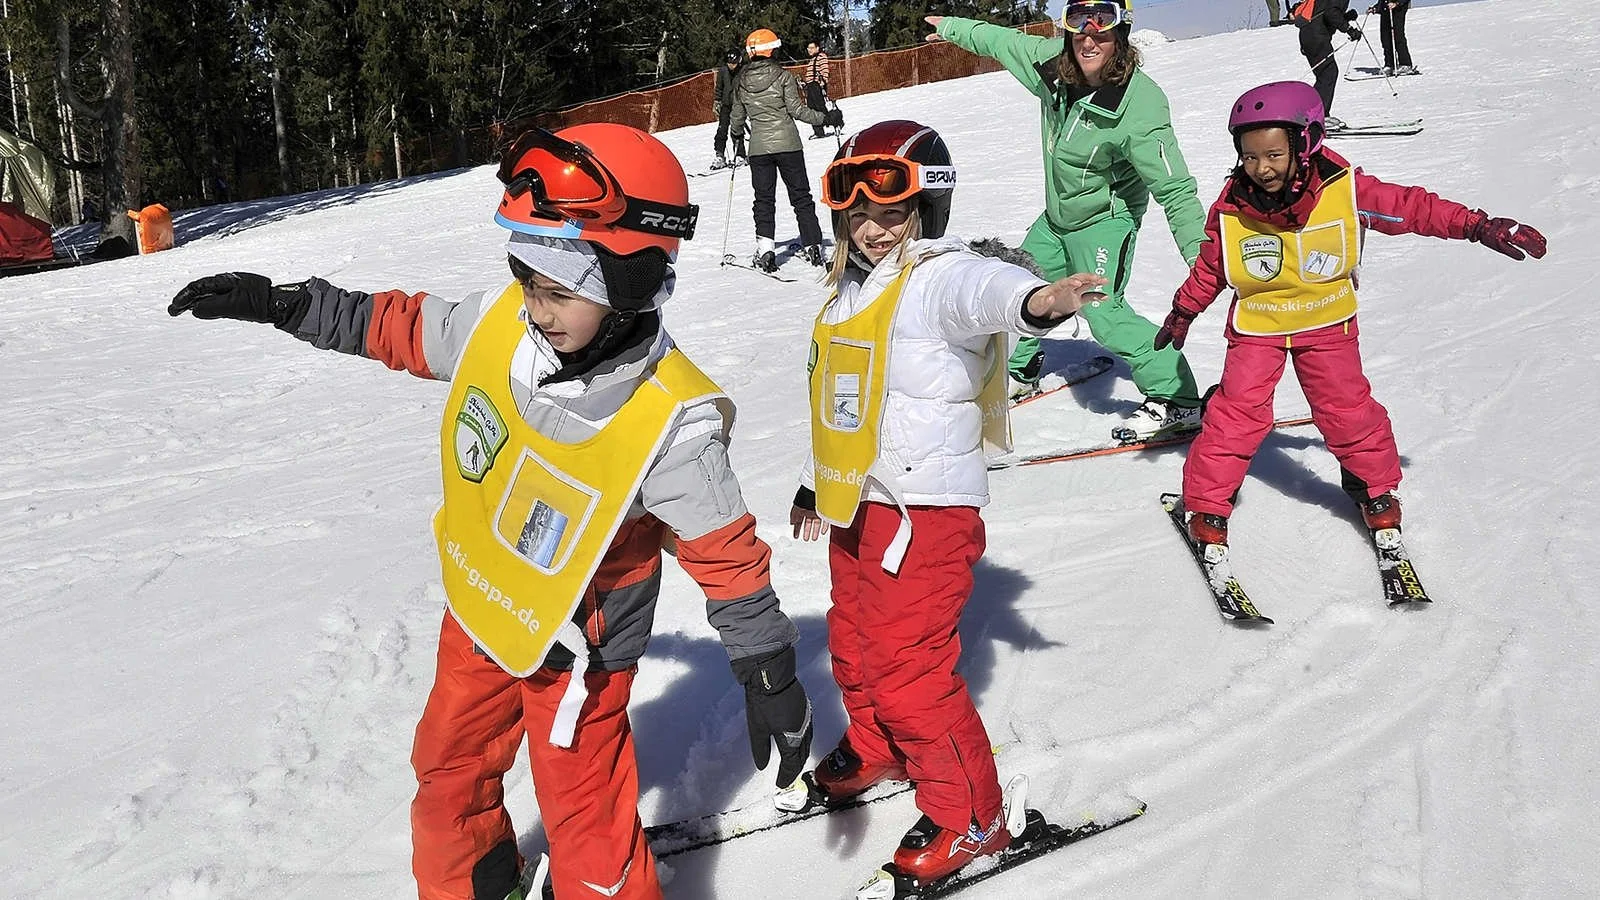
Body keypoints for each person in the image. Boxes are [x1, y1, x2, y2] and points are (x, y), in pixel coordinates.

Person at [166, 123, 815, 900]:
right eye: (527, 279)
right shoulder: (502, 326)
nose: (536, 307)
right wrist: (285, 305)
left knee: (586, 820)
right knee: (447, 770)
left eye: (558, 291)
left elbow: (726, 556)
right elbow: (398, 325)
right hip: (482, 610)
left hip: (583, 650)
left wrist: (766, 666)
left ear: (633, 281)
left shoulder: (674, 421)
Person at [789, 119, 1108, 890]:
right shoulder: (847, 294)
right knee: (856, 645)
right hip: (856, 502)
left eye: (891, 214)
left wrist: (1039, 301)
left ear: (924, 214)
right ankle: (877, 745)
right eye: (858, 214)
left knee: (908, 669)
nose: (872, 229)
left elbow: (986, 292)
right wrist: (812, 479)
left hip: (924, 512)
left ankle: (974, 813)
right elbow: (842, 403)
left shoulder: (935, 275)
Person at [1151, 82, 1546, 547]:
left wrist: (1476, 225)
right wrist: (1184, 308)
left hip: (1327, 324)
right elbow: (1214, 264)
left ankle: (1374, 490)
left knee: (1347, 410)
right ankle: (1208, 501)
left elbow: (1412, 208)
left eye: (1275, 155)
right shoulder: (1232, 205)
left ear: (1306, 142)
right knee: (1236, 415)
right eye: (1251, 157)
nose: (1262, 169)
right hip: (1259, 327)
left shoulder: (1345, 191)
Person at [926, 2, 1210, 443]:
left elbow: (1175, 189)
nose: (1089, 38)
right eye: (1078, 27)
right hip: (1057, 218)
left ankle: (1179, 399)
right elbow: (1002, 42)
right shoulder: (1054, 68)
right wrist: (952, 26)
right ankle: (1019, 370)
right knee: (1017, 288)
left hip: (1103, 222)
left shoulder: (1141, 104)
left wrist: (1203, 258)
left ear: (1122, 35)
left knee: (1103, 314)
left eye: (1102, 28)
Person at [728, 27, 843, 273]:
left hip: (758, 149)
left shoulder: (741, 82)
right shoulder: (783, 77)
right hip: (789, 145)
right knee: (801, 196)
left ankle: (766, 250)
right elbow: (798, 111)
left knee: (763, 200)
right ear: (771, 50)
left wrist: (736, 134)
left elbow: (736, 117)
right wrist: (827, 118)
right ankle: (813, 245)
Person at [1291, 0, 1363, 129]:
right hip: (1317, 37)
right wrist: (1349, 29)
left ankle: (1311, 114)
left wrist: (1346, 17)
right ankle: (1318, 116)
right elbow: (1331, 13)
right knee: (1328, 73)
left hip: (1309, 35)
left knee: (1325, 75)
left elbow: (1324, 14)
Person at [712, 48, 747, 169]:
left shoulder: (743, 70)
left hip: (739, 104)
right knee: (722, 130)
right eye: (729, 63)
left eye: (734, 63)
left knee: (737, 129)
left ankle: (740, 154)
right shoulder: (723, 71)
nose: (731, 66)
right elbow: (719, 87)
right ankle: (720, 155)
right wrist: (717, 101)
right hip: (726, 104)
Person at [1372, 1, 1416, 76]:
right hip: (1386, 11)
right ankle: (1389, 65)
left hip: (1398, 10)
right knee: (1385, 39)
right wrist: (1376, 8)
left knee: (1398, 37)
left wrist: (1397, 3)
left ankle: (1405, 64)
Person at [803, 40, 832, 140]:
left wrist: (823, 81)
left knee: (820, 108)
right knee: (811, 109)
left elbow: (825, 70)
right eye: (808, 48)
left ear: (817, 48)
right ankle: (818, 131)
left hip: (816, 86)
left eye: (811, 48)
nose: (809, 50)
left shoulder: (821, 57)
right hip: (811, 86)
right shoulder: (812, 59)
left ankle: (834, 122)